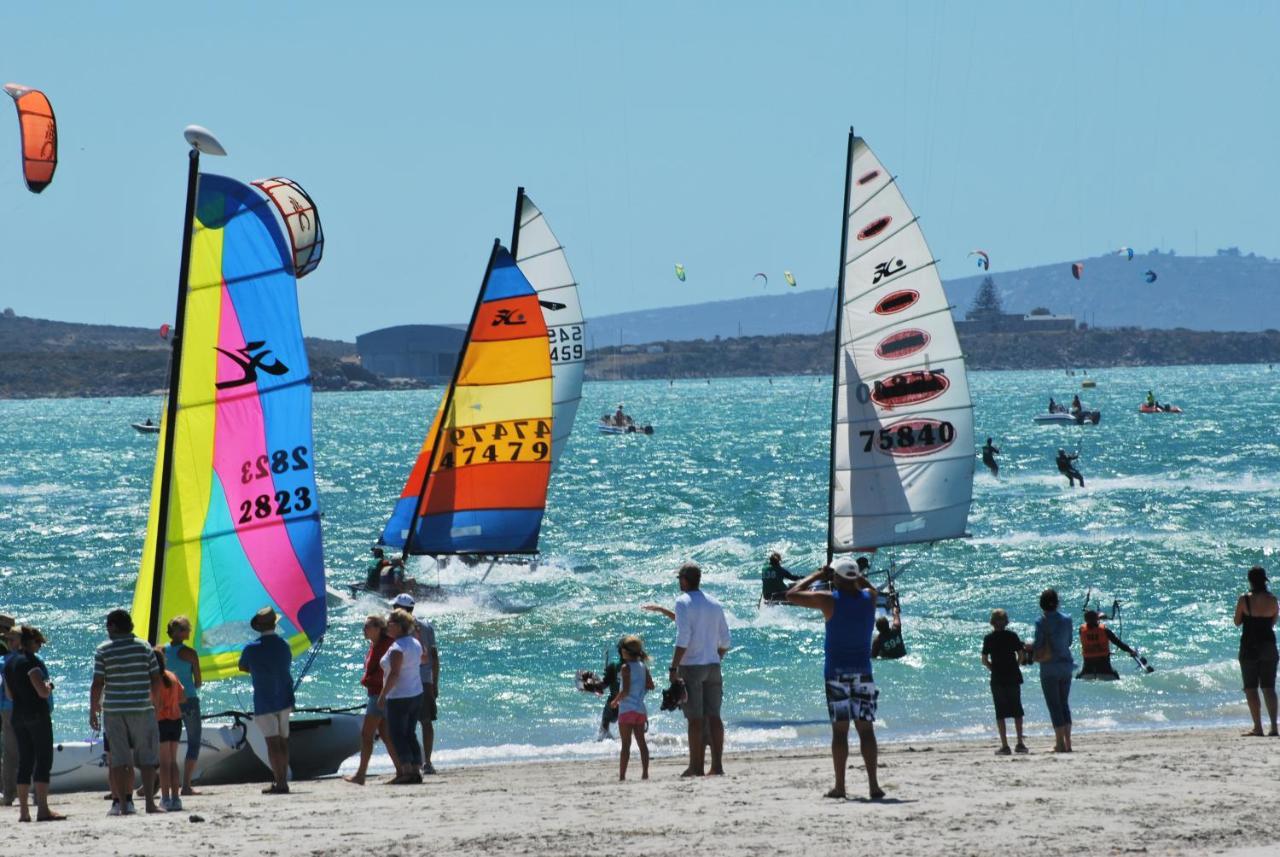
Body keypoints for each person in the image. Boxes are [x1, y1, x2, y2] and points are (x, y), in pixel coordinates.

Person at [786, 560, 884, 800]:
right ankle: (873, 785)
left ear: (837, 578)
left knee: (840, 732)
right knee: (866, 731)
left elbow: (792, 594)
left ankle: (840, 786)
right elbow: (870, 587)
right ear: (856, 578)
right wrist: (855, 577)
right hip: (863, 672)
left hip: (837, 674)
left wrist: (818, 573)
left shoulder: (830, 600)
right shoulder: (869, 599)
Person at [90, 609, 164, 815]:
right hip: (142, 708)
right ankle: (150, 804)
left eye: (108, 625)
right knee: (148, 759)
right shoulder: (144, 647)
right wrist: (155, 702)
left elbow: (97, 683)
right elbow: (155, 678)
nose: (107, 629)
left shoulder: (103, 649)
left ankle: (123, 805)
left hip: (114, 710)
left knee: (120, 760)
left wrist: (93, 709)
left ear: (113, 626)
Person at [669, 562, 730, 777]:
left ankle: (696, 766)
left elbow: (683, 637)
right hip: (712, 665)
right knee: (714, 716)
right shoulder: (714, 603)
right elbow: (726, 639)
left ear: (685, 580)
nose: (679, 582)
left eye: (679, 579)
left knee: (694, 719)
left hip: (692, 666)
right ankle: (717, 766)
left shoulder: (682, 602)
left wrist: (674, 667)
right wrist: (716, 657)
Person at [3, 626, 64, 821]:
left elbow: (9, 695)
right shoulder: (32, 662)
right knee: (43, 760)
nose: (39, 647)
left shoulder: (9, 664)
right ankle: (43, 809)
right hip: (36, 714)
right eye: (38, 643)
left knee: (25, 761)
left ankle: (23, 812)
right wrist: (50, 685)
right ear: (30, 642)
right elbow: (42, 692)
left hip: (17, 715)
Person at [238, 607, 295, 795]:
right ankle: (283, 780)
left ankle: (280, 782)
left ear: (258, 627)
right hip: (285, 698)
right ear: (274, 624)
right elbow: (286, 664)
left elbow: (242, 667)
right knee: (283, 742)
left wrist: (258, 669)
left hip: (264, 699)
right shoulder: (284, 645)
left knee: (272, 743)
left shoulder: (251, 648)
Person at [345, 614, 401, 785]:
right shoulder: (374, 645)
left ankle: (361, 774)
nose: (364, 630)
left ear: (379, 628)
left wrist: (375, 687)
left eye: (368, 626)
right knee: (385, 735)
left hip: (379, 694)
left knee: (367, 734)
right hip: (377, 693)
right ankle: (401, 770)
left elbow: (387, 671)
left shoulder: (386, 645)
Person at [392, 593, 440, 775]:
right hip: (425, 679)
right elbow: (434, 658)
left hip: (407, 680)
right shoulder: (427, 627)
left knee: (405, 725)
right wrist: (435, 683)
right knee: (425, 722)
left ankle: (411, 762)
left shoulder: (398, 630)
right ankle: (426, 761)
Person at [378, 608, 424, 784]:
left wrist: (383, 695)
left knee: (397, 733)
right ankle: (415, 768)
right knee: (409, 732)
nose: (387, 626)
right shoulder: (414, 642)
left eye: (389, 623)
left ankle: (406, 770)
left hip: (400, 696)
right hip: (416, 692)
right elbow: (424, 659)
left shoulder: (398, 647)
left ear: (398, 626)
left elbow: (394, 674)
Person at [1234, 565, 1278, 737]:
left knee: (1251, 688)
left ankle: (1258, 727)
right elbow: (1273, 622)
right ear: (1264, 580)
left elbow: (1237, 622)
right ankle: (1274, 727)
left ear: (1250, 581)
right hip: (1269, 646)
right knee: (1269, 688)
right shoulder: (1273, 600)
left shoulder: (1244, 599)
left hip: (1249, 647)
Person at [1031, 589, 1075, 753]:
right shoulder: (1067, 619)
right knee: (1064, 704)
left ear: (1041, 603)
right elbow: (1069, 641)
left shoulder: (1041, 622)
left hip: (1049, 668)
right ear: (1057, 602)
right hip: (1066, 666)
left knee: (1054, 705)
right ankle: (1068, 742)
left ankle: (1059, 743)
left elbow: (1038, 645)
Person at [163, 615, 202, 796]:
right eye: (187, 628)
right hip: (189, 701)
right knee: (194, 741)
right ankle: (186, 785)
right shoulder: (190, 653)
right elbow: (198, 681)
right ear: (180, 632)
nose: (189, 631)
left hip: (169, 702)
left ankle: (158, 782)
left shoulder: (161, 650)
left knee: (168, 744)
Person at [608, 635, 654, 781]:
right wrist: (640, 693)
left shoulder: (625, 667)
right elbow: (650, 685)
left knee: (626, 745)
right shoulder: (643, 666)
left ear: (626, 652)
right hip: (640, 710)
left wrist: (615, 701)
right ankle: (645, 773)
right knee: (642, 743)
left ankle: (622, 776)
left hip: (627, 710)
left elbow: (625, 691)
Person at [982, 609, 1027, 755]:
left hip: (998, 677)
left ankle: (1005, 745)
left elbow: (984, 660)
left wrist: (993, 669)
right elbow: (1020, 655)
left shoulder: (989, 638)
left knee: (1000, 712)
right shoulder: (1012, 636)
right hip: (1013, 676)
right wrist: (1015, 666)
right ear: (1006, 621)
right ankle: (1020, 743)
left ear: (992, 623)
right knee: (1017, 710)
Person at [151, 647, 184, 811]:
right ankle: (176, 799)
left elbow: (154, 702)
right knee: (173, 761)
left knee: (163, 763)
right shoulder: (172, 676)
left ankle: (165, 798)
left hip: (161, 721)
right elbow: (183, 697)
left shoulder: (153, 680)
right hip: (176, 720)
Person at [1076, 610, 1138, 681]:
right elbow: (1118, 643)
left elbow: (1090, 626)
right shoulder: (1105, 630)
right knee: (1115, 674)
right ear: (1097, 619)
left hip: (1088, 667)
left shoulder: (1081, 630)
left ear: (1085, 620)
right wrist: (1131, 651)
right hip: (1104, 666)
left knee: (1078, 674)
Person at [0, 615, 18, 806]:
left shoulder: (5, 652)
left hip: (5, 704)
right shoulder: (11, 650)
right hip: (7, 704)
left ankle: (7, 790)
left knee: (8, 748)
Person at [871, 592, 906, 660]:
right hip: (903, 657)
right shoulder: (896, 628)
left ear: (878, 629)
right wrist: (893, 602)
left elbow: (873, 657)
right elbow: (896, 614)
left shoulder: (878, 641)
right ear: (888, 625)